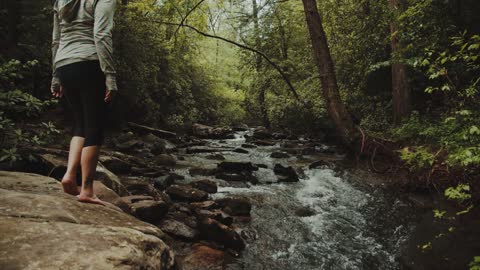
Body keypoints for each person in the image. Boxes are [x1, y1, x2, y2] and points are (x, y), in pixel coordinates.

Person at [50, 0, 118, 205]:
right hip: (89, 62)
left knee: (80, 123)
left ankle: (70, 176)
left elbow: (55, 39)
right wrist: (110, 75)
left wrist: (55, 76)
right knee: (94, 127)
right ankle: (87, 189)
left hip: (64, 63)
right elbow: (102, 34)